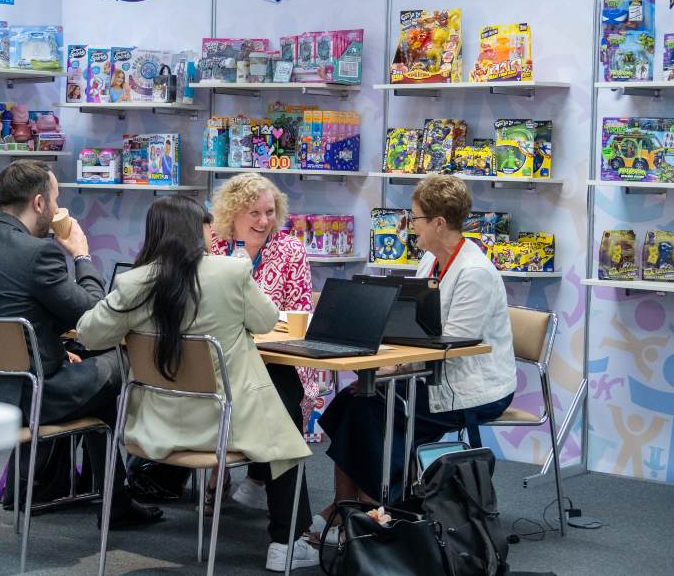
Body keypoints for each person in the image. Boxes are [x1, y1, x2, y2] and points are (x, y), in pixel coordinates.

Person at [76, 196, 318, 571]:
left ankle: (260, 505)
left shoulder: (134, 281)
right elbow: (267, 320)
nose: (212, 231)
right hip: (227, 423)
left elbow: (89, 333)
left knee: (280, 403)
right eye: (207, 225)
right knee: (283, 429)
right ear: (197, 230)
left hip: (156, 426)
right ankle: (287, 543)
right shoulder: (231, 273)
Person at [0, 160, 161, 528]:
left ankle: (70, 489)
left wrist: (58, 353)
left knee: (87, 363)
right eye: (57, 199)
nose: (60, 209)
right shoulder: (39, 254)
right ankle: (114, 499)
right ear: (40, 204)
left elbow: (10, 318)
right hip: (29, 397)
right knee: (115, 363)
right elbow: (93, 316)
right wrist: (81, 254)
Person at [314, 175, 516, 538]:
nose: (409, 226)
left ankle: (368, 508)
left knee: (372, 409)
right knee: (351, 401)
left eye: (416, 218)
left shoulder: (475, 273)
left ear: (439, 223)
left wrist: (396, 366)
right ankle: (348, 508)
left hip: (471, 386)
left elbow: (453, 347)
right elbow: (418, 330)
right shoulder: (430, 262)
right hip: (428, 376)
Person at [208, 172, 318, 513]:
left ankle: (260, 483)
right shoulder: (212, 245)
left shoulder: (290, 249)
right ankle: (266, 494)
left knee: (281, 393)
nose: (264, 220)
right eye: (254, 213)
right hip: (222, 360)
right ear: (232, 213)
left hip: (278, 358)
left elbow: (299, 311)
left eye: (270, 212)